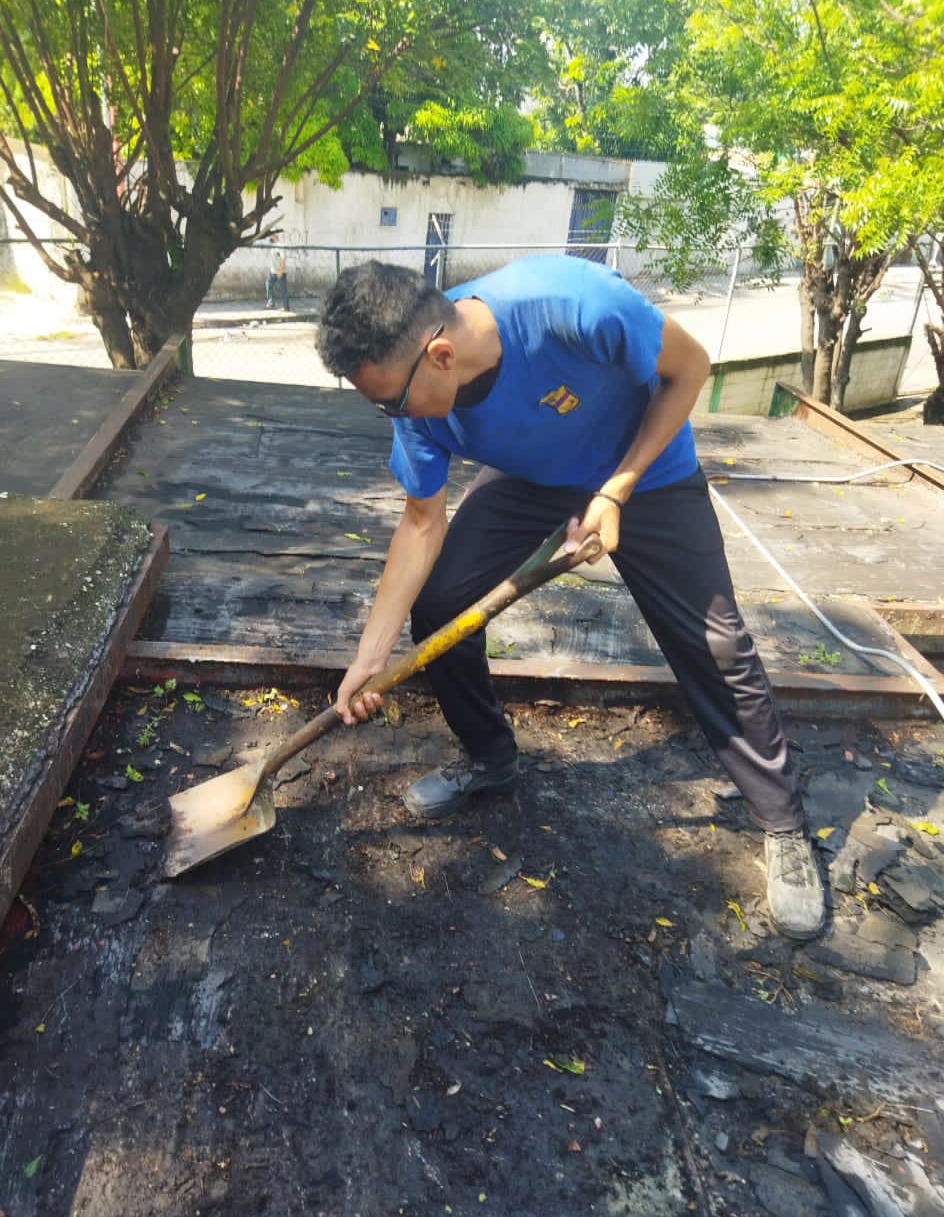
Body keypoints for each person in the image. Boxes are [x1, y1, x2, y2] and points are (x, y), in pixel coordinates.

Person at [315, 256, 826, 942]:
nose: (388, 415)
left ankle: (783, 821)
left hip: (649, 471)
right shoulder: (417, 397)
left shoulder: (572, 305)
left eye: (388, 402)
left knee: (716, 642)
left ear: (439, 355)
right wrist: (368, 658)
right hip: (533, 479)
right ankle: (489, 759)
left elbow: (692, 368)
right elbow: (420, 522)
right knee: (440, 603)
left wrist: (615, 490)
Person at [265, 234, 290, 311]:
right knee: (268, 284)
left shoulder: (280, 246)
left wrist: (280, 270)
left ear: (275, 236)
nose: (269, 237)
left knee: (283, 289)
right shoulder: (273, 246)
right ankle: (271, 303)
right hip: (273, 272)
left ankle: (286, 307)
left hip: (280, 272)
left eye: (271, 236)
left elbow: (283, 258)